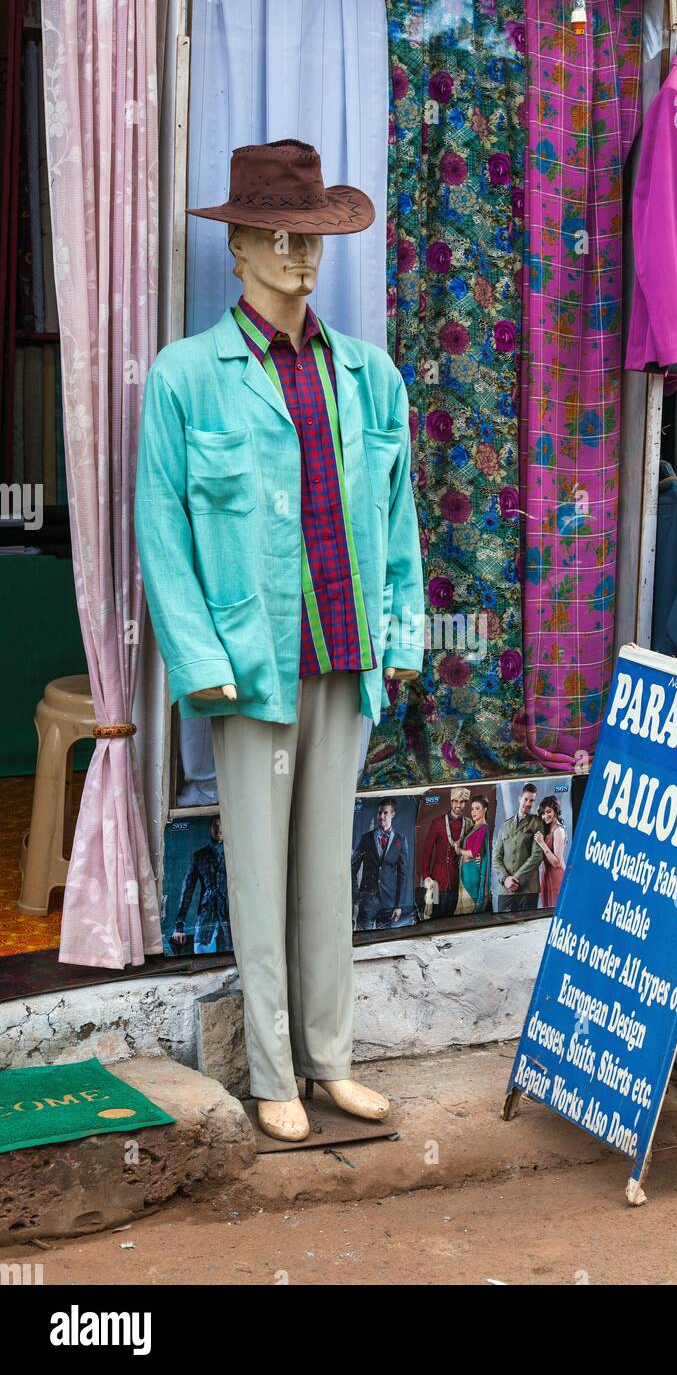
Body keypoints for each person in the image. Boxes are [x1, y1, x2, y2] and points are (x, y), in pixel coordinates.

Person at [136, 139, 424, 1144]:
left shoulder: (367, 375)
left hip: (343, 656)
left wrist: (402, 634)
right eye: (272, 237)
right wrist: (201, 662)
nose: (295, 259)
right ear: (237, 251)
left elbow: (396, 518)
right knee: (257, 872)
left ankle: (331, 1059)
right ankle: (272, 1072)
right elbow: (160, 530)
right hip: (250, 667)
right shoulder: (187, 378)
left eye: (306, 239)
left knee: (325, 872)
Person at [170, 817, 232, 954]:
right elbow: (187, 892)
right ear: (210, 829)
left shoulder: (236, 854)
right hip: (206, 916)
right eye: (215, 825)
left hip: (231, 916)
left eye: (222, 825)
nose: (219, 829)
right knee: (202, 957)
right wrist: (179, 926)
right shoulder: (199, 856)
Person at [352, 799, 411, 931]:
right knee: (363, 938)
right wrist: (355, 894)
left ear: (393, 814)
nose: (381, 816)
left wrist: (399, 905)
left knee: (384, 939)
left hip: (388, 902)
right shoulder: (366, 838)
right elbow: (352, 868)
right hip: (367, 900)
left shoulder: (400, 840)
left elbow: (403, 874)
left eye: (385, 813)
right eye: (379, 813)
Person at [419, 787, 471, 919]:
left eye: (461, 802)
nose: (458, 805)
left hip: (457, 881)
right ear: (451, 801)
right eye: (455, 801)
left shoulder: (468, 824)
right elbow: (427, 851)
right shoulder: (438, 822)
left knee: (452, 916)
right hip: (436, 880)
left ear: (465, 803)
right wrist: (426, 875)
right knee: (434, 913)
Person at [493, 783, 545, 913]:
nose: (528, 803)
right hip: (505, 889)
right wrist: (505, 879)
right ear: (519, 798)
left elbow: (537, 855)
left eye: (532, 800)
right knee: (503, 926)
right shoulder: (505, 825)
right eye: (526, 799)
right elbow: (496, 857)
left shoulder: (537, 823)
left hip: (528, 889)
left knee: (528, 927)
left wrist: (516, 879)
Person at [455, 795, 491, 916]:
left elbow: (473, 853)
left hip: (472, 875)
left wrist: (459, 850)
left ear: (484, 810)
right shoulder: (473, 827)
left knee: (467, 911)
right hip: (465, 873)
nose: (473, 812)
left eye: (477, 808)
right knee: (462, 911)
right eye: (472, 809)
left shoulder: (483, 828)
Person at [535, 795, 567, 909]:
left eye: (549, 812)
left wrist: (542, 843)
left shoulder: (558, 831)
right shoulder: (548, 829)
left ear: (555, 810)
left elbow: (556, 863)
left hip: (557, 877)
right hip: (547, 875)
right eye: (543, 813)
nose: (545, 816)